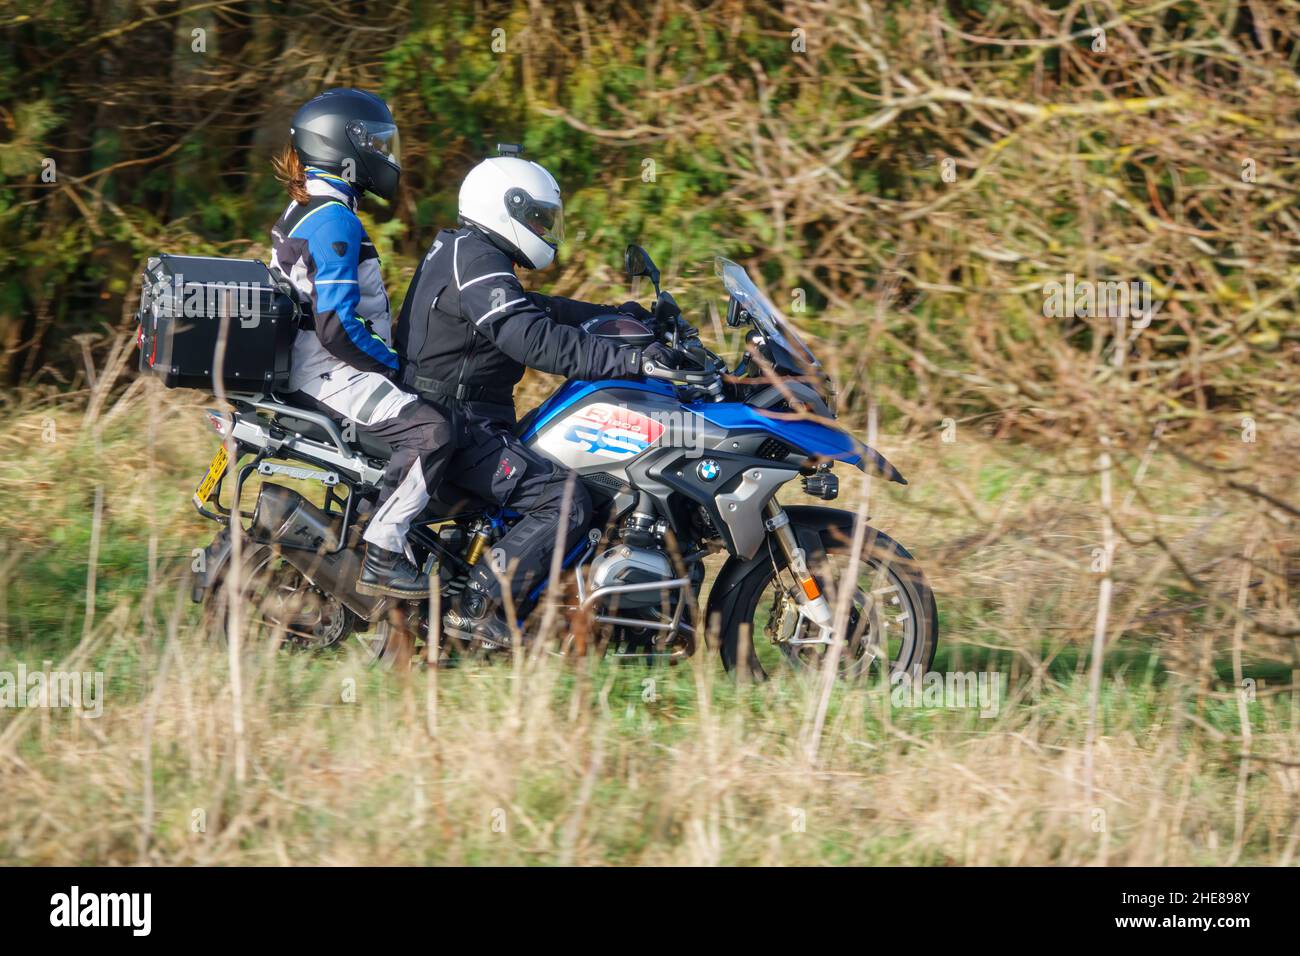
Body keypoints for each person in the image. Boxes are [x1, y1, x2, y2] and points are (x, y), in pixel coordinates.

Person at [394, 153, 675, 645]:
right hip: (456, 424)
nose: (544, 229)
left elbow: (540, 309)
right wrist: (633, 362)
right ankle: (479, 606)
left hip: (466, 417)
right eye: (537, 218)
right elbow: (530, 337)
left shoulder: (472, 254)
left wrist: (623, 317)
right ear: (506, 208)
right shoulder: (476, 257)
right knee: (564, 501)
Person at [269, 88, 453, 598]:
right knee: (432, 433)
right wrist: (395, 366)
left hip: (314, 369)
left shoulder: (308, 208)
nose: (384, 154)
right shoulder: (334, 220)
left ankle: (371, 536)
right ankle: (383, 554)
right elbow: (337, 327)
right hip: (329, 374)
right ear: (341, 147)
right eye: (375, 142)